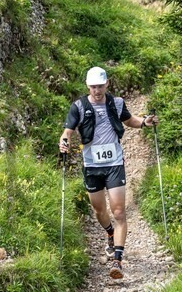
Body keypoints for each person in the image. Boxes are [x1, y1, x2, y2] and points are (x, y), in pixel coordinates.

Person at [59, 66, 159, 280]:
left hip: (114, 163)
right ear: (88, 86)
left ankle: (118, 261)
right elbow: (68, 129)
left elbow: (128, 120)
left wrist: (143, 123)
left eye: (101, 86)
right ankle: (110, 234)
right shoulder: (78, 106)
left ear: (107, 84)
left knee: (119, 211)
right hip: (92, 165)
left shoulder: (116, 103)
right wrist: (64, 139)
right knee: (99, 210)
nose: (97, 90)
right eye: (93, 87)